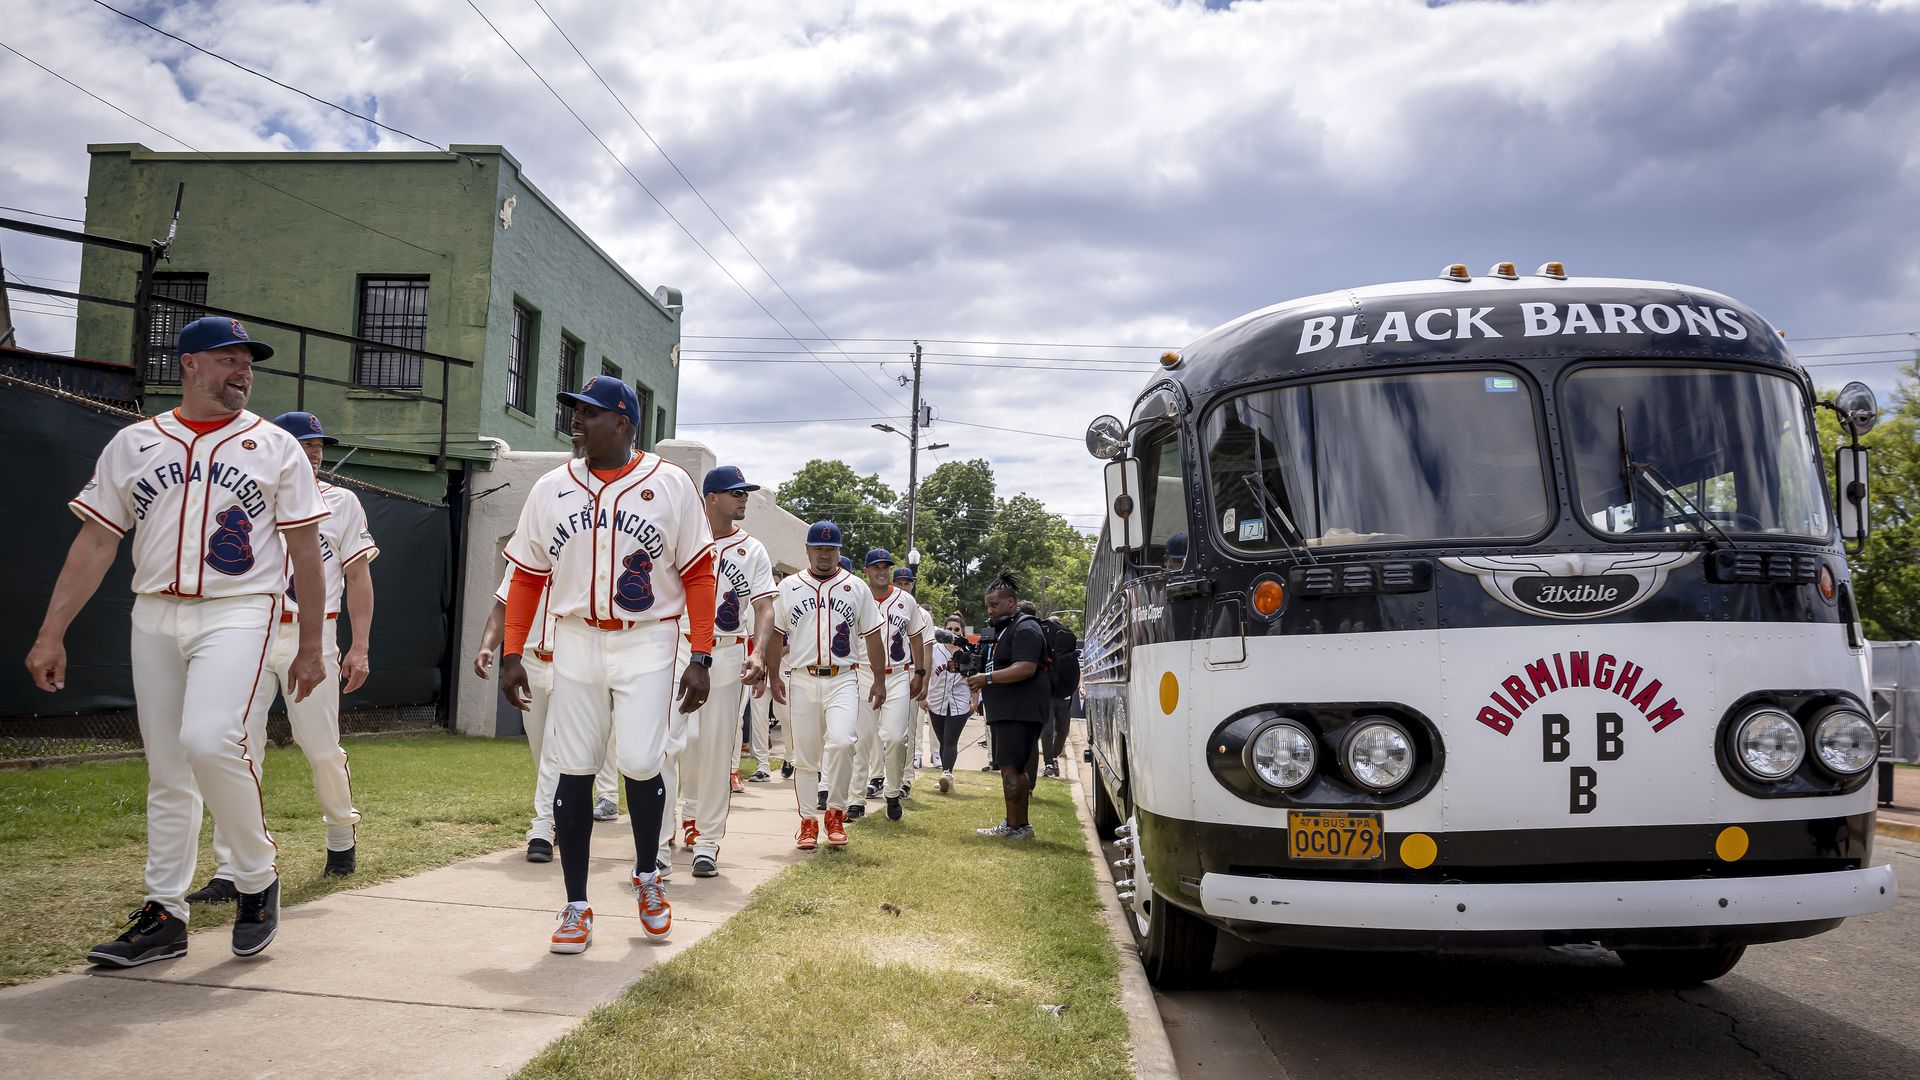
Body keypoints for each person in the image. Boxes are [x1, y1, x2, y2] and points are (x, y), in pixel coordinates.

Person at [27, 316, 329, 965]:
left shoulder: (275, 448)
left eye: (249, 361)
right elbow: (97, 541)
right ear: (189, 363)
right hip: (154, 613)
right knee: (168, 770)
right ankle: (165, 912)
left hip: (239, 609)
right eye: (228, 359)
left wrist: (310, 645)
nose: (242, 371)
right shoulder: (135, 443)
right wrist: (52, 632)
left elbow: (306, 550)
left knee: (209, 739)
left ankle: (256, 875)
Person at [497, 375, 715, 954]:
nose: (575, 420)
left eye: (588, 412)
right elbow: (526, 576)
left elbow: (697, 573)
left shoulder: (670, 484)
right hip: (574, 637)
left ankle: (648, 877)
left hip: (649, 639)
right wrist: (512, 651)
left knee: (643, 760)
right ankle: (576, 905)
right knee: (573, 765)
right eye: (572, 409)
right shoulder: (550, 487)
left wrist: (702, 655)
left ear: (623, 423)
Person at [187, 410, 376, 904]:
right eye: (303, 442)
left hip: (313, 635)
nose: (314, 451)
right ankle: (234, 866)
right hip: (249, 633)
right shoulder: (246, 499)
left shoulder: (342, 502)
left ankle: (340, 832)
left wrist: (359, 646)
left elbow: (358, 577)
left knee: (319, 746)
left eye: (318, 443)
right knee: (238, 748)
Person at [655, 466, 776, 878]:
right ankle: (659, 839)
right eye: (735, 492)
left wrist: (759, 653)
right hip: (678, 648)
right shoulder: (680, 538)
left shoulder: (753, 549)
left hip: (727, 654)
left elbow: (763, 607)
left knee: (715, 750)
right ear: (710, 498)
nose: (744, 498)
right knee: (666, 747)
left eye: (745, 492)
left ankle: (706, 840)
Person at [474, 562, 621, 862]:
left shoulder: (586, 548)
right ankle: (559, 816)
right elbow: (503, 605)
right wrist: (487, 646)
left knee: (554, 749)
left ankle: (542, 827)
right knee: (542, 749)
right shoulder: (525, 552)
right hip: (529, 660)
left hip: (571, 661)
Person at [766, 522, 886, 850]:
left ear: (839, 552)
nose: (824, 554)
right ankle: (807, 821)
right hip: (802, 677)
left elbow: (873, 634)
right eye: (818, 548)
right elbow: (776, 634)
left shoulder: (856, 586)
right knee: (805, 757)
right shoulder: (789, 586)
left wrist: (879, 677)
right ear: (807, 550)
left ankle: (835, 811)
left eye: (830, 549)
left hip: (844, 676)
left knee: (844, 742)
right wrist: (773, 675)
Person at [968, 571, 1051, 840]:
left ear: (1011, 603)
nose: (990, 611)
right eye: (988, 606)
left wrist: (987, 678)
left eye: (995, 605)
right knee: (1013, 767)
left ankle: (1016, 827)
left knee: (1011, 769)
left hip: (1020, 709)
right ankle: (1017, 825)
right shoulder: (1002, 629)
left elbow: (1025, 667)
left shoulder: (1026, 627)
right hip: (1007, 709)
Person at [856, 550, 930, 822]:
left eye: (886, 566)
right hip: (863, 672)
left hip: (898, 673)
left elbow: (916, 637)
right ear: (866, 571)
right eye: (876, 567)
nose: (882, 571)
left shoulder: (905, 600)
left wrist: (920, 672)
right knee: (861, 739)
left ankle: (892, 791)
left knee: (896, 738)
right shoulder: (857, 596)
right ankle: (855, 798)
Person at [927, 613, 977, 793]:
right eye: (949, 629)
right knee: (942, 740)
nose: (953, 632)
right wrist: (923, 697)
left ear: (962, 631)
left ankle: (947, 774)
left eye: (957, 629)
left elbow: (974, 679)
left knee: (950, 740)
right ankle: (945, 775)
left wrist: (974, 701)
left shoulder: (968, 650)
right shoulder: (933, 649)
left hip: (960, 701)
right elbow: (926, 673)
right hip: (936, 699)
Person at [745, 570, 786, 782]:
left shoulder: (787, 603)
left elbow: (790, 643)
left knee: (787, 718)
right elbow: (754, 639)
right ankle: (762, 765)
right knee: (759, 720)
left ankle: (791, 756)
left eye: (777, 584)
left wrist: (777, 656)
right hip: (760, 671)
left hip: (785, 670)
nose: (774, 588)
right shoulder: (756, 607)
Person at [1038, 612, 1080, 780]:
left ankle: (1053, 759)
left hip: (1062, 695)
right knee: (1047, 730)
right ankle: (1049, 763)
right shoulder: (1044, 648)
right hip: (1049, 695)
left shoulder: (1067, 650)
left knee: (1063, 730)